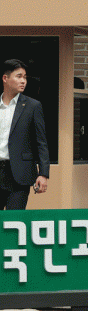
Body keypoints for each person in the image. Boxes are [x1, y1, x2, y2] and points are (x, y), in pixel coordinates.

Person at [0, 59, 49, 209]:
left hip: (19, 173)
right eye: (19, 76)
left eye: (25, 77)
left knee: (14, 221)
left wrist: (43, 174)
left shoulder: (33, 106)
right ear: (5, 78)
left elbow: (41, 142)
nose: (23, 81)